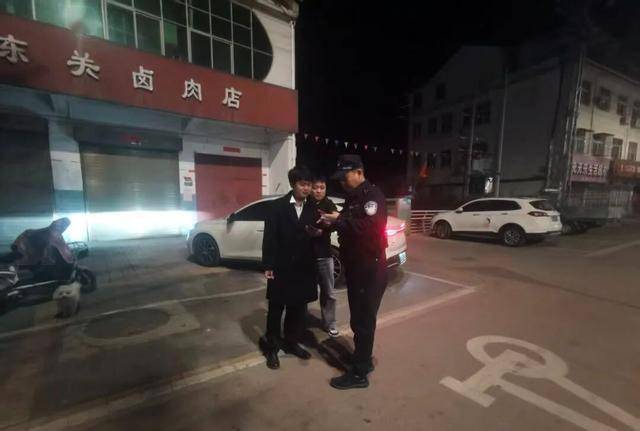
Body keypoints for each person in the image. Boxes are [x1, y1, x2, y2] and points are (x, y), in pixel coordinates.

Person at [320, 155, 388, 390]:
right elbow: (350, 224)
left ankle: (359, 375)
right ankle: (363, 360)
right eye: (339, 178)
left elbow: (370, 228)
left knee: (363, 320)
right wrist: (334, 222)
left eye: (345, 176)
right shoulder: (353, 198)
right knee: (359, 318)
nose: (342, 182)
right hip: (358, 266)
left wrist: (339, 221)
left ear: (359, 172)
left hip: (369, 267)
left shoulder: (372, 196)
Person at [260, 165, 318, 370]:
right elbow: (270, 237)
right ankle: (272, 348)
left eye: (309, 185)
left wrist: (318, 233)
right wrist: (268, 264)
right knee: (276, 309)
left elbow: (317, 232)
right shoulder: (277, 207)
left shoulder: (312, 207)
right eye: (303, 184)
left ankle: (291, 343)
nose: (306, 188)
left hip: (303, 267)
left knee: (297, 308)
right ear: (293, 184)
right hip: (281, 266)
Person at [310, 176, 339, 338]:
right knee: (302, 291)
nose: (318, 191)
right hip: (306, 256)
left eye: (322, 187)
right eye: (315, 187)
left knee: (328, 293)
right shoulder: (306, 203)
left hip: (325, 256)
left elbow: (337, 218)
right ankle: (299, 322)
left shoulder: (328, 203)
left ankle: (330, 323)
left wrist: (326, 225)